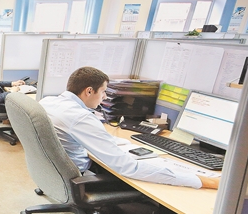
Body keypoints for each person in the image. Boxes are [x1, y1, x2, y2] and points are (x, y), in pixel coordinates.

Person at [39, 66, 219, 189]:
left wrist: (115, 142)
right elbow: (128, 168)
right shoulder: (81, 118)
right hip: (78, 176)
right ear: (89, 91)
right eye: (103, 91)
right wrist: (202, 181)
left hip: (52, 171)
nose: (105, 98)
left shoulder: (48, 102)